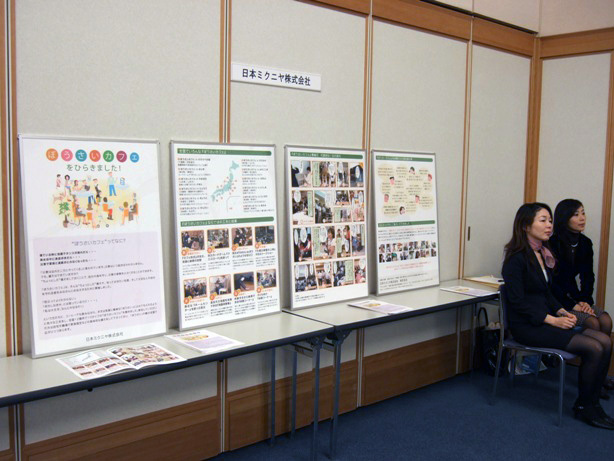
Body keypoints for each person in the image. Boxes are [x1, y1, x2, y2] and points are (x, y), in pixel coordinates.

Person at [502, 202, 614, 429]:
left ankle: (591, 402)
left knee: (605, 340)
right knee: (594, 347)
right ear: (525, 226)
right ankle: (586, 406)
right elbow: (517, 302)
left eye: (550, 220)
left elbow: (546, 292)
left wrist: (562, 310)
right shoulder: (515, 258)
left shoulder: (540, 253)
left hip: (544, 320)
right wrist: (553, 320)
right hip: (528, 326)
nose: (549, 225)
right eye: (543, 220)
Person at [550, 198, 614, 392]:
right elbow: (551, 283)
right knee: (592, 322)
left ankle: (599, 377)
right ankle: (588, 381)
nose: (582, 218)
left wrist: (585, 301)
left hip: (577, 298)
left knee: (605, 320)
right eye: (576, 214)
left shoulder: (585, 243)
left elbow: (588, 276)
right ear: (564, 218)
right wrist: (573, 304)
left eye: (583, 213)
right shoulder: (552, 243)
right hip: (557, 301)